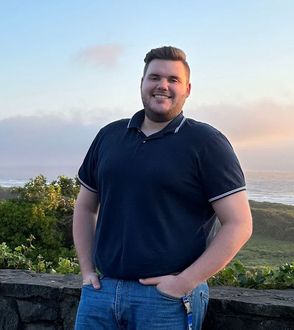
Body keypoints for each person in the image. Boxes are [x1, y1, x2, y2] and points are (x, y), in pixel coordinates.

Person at [73, 46, 252, 330]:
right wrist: (86, 271)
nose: (163, 86)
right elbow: (85, 206)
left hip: (165, 301)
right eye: (154, 77)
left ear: (188, 89)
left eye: (173, 79)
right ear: (142, 83)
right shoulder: (109, 136)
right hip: (100, 294)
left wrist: (183, 283)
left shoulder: (207, 142)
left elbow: (239, 223)